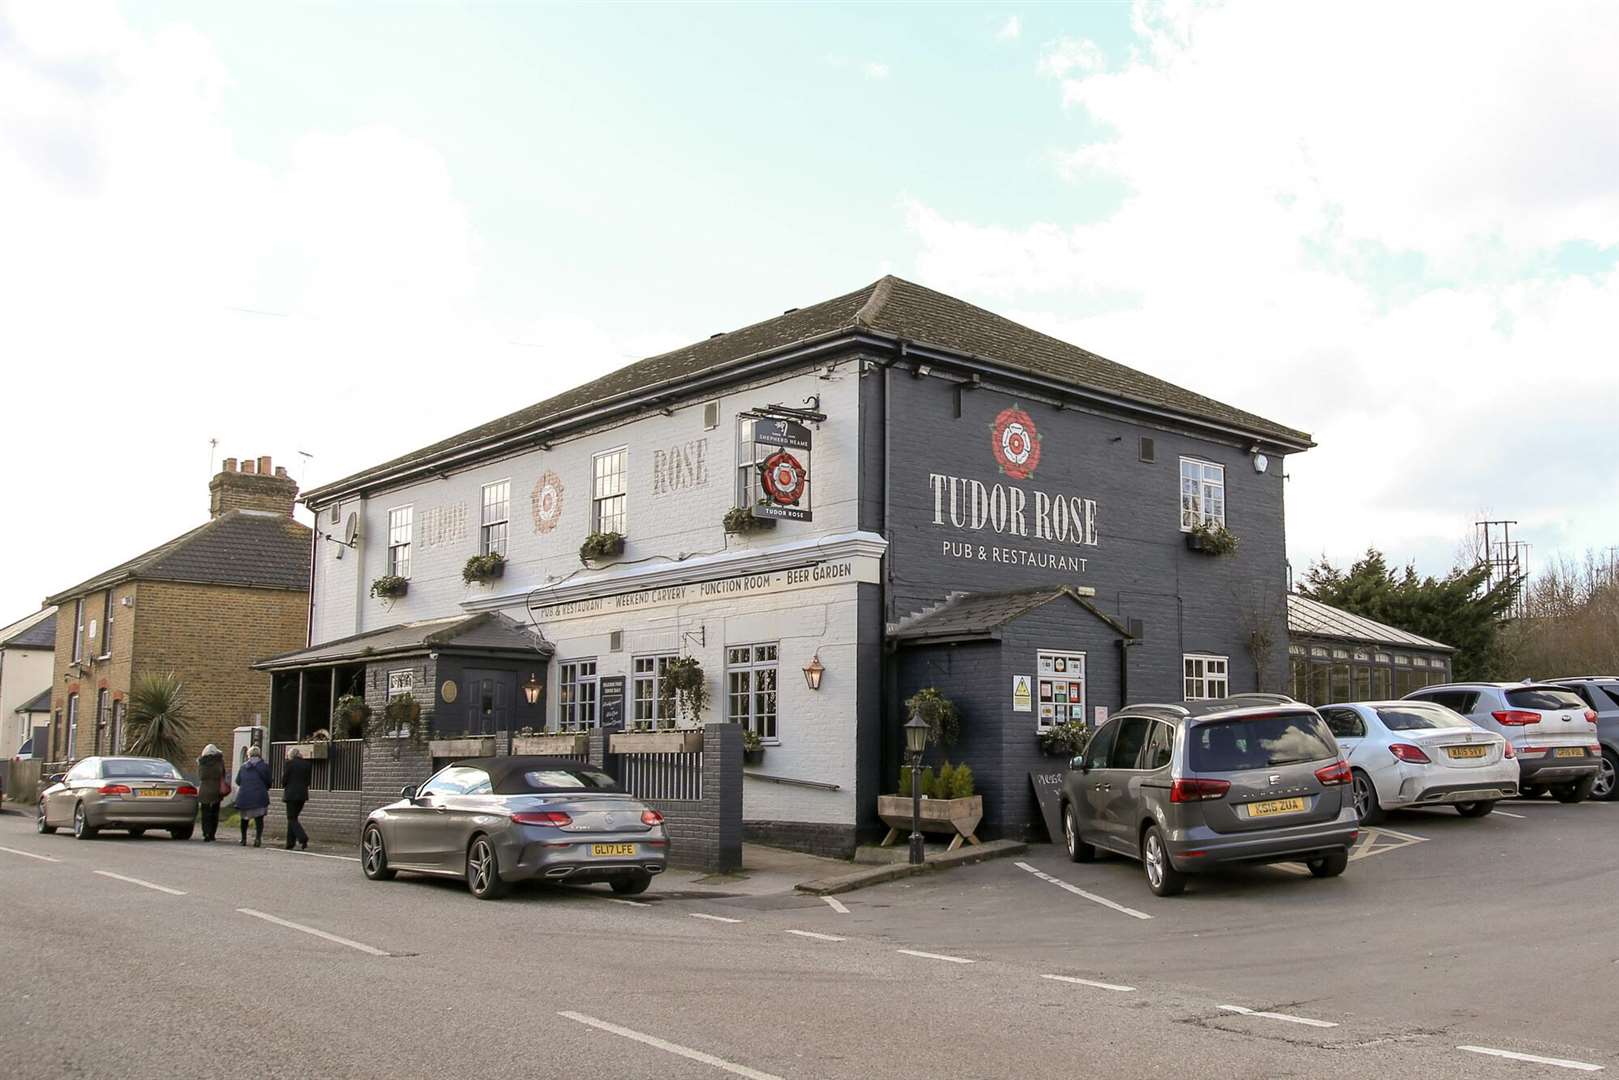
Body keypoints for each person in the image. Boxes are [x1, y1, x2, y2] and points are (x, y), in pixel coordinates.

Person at [235, 745, 272, 847]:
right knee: (259, 819)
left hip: (245, 795)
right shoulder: (264, 766)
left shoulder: (243, 767)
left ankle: (243, 839)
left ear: (249, 755)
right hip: (260, 796)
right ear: (259, 754)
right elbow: (269, 781)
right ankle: (258, 839)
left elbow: (238, 781)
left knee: (244, 819)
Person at [281, 746, 311, 851]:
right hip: (302, 795)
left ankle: (303, 838)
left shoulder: (289, 764)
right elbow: (308, 781)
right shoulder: (307, 765)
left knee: (291, 818)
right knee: (293, 818)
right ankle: (290, 843)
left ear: (291, 755)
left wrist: (285, 784)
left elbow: (284, 780)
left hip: (291, 795)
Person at [196, 744, 227, 842]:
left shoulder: (201, 762)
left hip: (204, 790)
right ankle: (212, 833)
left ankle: (206, 833)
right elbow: (223, 774)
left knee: (205, 813)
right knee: (214, 812)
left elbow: (200, 776)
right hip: (216, 789)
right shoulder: (219, 762)